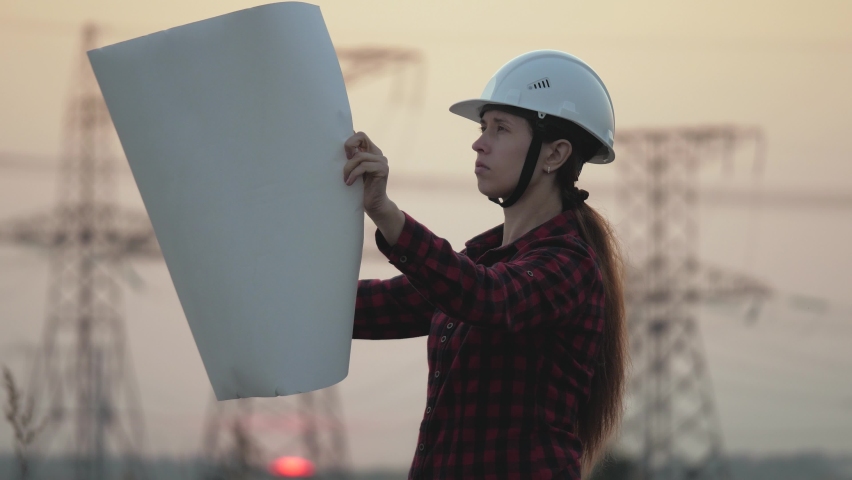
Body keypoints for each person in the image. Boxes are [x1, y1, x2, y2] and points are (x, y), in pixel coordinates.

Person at [342, 50, 628, 480]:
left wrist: (387, 213)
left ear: (555, 154)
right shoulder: (482, 261)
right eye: (483, 127)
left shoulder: (571, 264)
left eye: (501, 128)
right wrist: (269, 292)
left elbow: (487, 298)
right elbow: (378, 306)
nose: (479, 142)